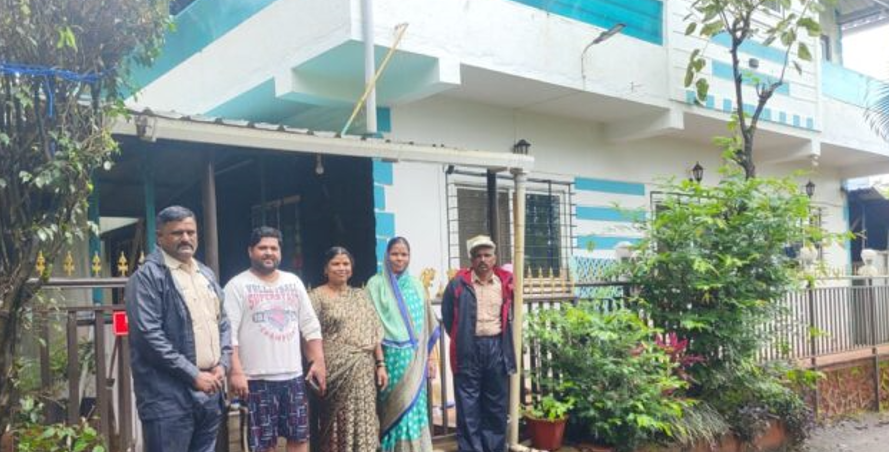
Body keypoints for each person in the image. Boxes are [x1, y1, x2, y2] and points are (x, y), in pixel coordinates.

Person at [125, 205, 232, 452]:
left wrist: (223, 364)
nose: (186, 238)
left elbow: (223, 323)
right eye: (177, 233)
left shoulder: (205, 274)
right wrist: (194, 375)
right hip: (167, 399)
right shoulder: (147, 277)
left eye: (190, 232)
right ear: (160, 237)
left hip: (210, 391)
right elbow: (148, 337)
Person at [223, 227, 327, 452]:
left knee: (299, 437)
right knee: (263, 443)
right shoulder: (236, 286)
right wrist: (236, 371)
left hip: (293, 376)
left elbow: (309, 325)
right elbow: (229, 334)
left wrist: (318, 362)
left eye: (274, 248)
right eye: (263, 248)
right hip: (255, 379)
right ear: (250, 251)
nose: (269, 252)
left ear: (280, 252)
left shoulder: (293, 282)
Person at [441, 235, 516, 452]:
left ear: (494, 258)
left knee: (495, 405)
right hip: (468, 349)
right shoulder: (458, 284)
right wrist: (462, 338)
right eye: (478, 255)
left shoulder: (504, 283)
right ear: (471, 260)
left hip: (496, 347)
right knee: (468, 406)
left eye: (487, 255)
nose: (483, 259)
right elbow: (448, 317)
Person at [309, 247, 387, 452]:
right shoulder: (316, 297)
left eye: (346, 264)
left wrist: (380, 364)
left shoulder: (361, 295)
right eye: (336, 264)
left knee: (365, 418)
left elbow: (373, 333)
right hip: (333, 372)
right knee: (336, 423)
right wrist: (315, 364)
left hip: (364, 372)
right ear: (326, 269)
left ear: (351, 269)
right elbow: (309, 335)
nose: (341, 268)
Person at [366, 237, 440, 452]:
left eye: (404, 254)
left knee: (414, 408)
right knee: (393, 408)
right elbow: (371, 327)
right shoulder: (375, 285)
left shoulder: (416, 286)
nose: (399, 258)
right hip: (388, 360)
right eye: (395, 254)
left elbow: (427, 326)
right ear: (386, 256)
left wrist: (431, 358)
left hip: (416, 360)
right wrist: (379, 363)